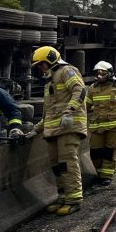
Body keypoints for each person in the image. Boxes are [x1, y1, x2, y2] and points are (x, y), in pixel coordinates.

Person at [31, 46, 87, 216]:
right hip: (54, 130)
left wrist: (69, 111)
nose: (41, 68)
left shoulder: (66, 71)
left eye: (42, 64)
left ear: (50, 60)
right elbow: (50, 111)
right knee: (57, 166)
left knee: (68, 162)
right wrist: (36, 129)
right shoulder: (51, 80)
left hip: (68, 128)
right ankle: (63, 197)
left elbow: (80, 90)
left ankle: (74, 199)